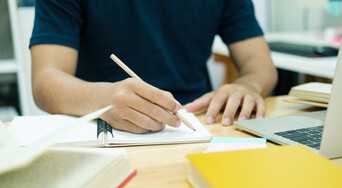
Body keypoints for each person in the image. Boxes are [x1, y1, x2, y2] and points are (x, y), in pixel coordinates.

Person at [30, 0, 277, 134]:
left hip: (198, 125)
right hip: (105, 129)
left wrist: (247, 86)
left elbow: (260, 64)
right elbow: (45, 80)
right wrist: (103, 99)